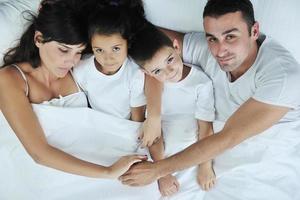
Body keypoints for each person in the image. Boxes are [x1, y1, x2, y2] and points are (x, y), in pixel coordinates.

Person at [119, 0, 300, 195]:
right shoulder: (207, 49)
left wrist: (158, 170)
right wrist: (153, 115)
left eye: (230, 36)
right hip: (202, 168)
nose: (220, 50)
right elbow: (151, 47)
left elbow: (228, 138)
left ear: (254, 31)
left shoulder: (282, 76)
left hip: (264, 174)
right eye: (212, 38)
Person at [0, 0, 147, 179]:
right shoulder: (11, 78)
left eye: (78, 52)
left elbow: (146, 68)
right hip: (50, 173)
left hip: (102, 155)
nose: (72, 60)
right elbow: (39, 153)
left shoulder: (81, 68)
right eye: (64, 50)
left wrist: (153, 115)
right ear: (39, 39)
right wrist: (108, 172)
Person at [72, 0, 178, 196]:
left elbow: (136, 119)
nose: (108, 58)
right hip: (99, 126)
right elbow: (83, 106)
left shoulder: (133, 72)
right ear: (91, 47)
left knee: (152, 131)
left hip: (128, 127)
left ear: (127, 44)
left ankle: (162, 171)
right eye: (99, 50)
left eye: (116, 49)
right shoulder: (82, 70)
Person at [129, 22, 216, 191]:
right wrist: (162, 173)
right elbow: (154, 133)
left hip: (191, 153)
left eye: (170, 60)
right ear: (147, 73)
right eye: (157, 71)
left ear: (176, 47)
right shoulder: (154, 86)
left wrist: (205, 166)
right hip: (156, 156)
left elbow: (206, 129)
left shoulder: (201, 83)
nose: (169, 72)